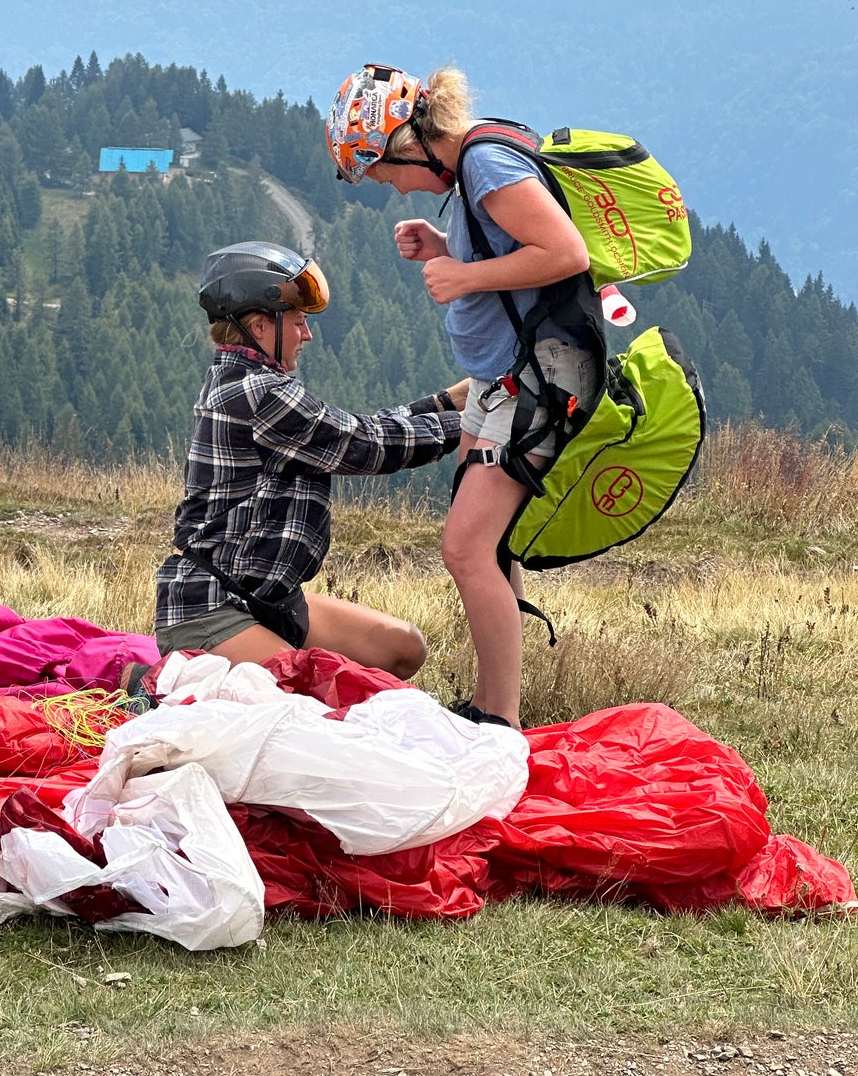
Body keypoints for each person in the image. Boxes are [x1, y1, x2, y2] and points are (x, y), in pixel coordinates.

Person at [326, 64, 596, 729]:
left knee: (465, 548)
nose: (391, 189)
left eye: (384, 173)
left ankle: (497, 719)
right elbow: (519, 247)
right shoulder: (477, 162)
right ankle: (492, 703)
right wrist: (447, 246)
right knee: (487, 544)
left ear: (408, 143)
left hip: (540, 376)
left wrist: (464, 272)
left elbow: (567, 253)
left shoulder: (484, 166)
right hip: (502, 376)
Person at [154, 241, 466, 678]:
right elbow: (365, 446)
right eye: (298, 322)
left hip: (269, 597)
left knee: (402, 649)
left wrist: (444, 404)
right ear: (261, 326)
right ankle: (152, 690)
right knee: (319, 705)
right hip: (215, 606)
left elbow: (347, 431)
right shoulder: (258, 393)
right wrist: (471, 425)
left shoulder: (251, 382)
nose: (307, 334)